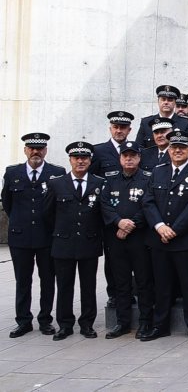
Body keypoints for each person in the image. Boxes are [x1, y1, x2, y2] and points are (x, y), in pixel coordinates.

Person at [141, 130, 188, 342]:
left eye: (182, 148)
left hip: (186, 240)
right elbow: (148, 201)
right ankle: (160, 326)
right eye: (174, 147)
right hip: (159, 239)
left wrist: (174, 230)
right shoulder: (157, 171)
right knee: (162, 285)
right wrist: (160, 226)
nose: (177, 151)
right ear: (168, 149)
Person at [3, 132, 64, 338]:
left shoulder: (57, 173)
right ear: (25, 150)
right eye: (32, 148)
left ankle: (45, 320)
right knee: (23, 280)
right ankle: (23, 321)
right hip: (20, 237)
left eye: (39, 148)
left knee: (47, 279)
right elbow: (8, 203)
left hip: (46, 236)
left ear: (45, 150)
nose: (35, 152)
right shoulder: (12, 173)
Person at [47, 142, 106, 340]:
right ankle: (65, 324)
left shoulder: (99, 183)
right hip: (63, 243)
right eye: (76, 158)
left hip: (89, 242)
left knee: (88, 285)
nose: (80, 161)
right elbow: (47, 214)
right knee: (64, 286)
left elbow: (102, 214)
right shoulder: (56, 183)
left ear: (90, 160)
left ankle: (87, 323)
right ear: (70, 160)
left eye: (85, 158)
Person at [99, 142, 154, 339]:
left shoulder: (148, 179)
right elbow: (104, 204)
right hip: (116, 239)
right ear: (120, 159)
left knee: (143, 282)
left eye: (133, 155)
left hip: (140, 238)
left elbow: (149, 204)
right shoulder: (110, 180)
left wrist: (131, 224)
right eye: (125, 156)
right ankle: (122, 323)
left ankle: (146, 322)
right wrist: (118, 222)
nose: (129, 159)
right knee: (121, 282)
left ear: (139, 158)